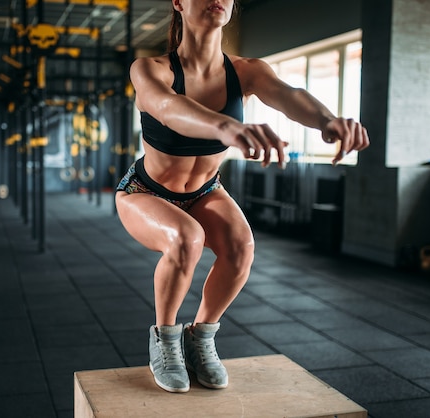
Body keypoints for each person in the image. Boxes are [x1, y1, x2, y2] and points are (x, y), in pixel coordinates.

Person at [115, 0, 369, 393]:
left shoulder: (246, 71)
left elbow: (289, 94)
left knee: (241, 247)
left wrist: (328, 120)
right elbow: (166, 107)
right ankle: (165, 341)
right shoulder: (151, 69)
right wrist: (225, 127)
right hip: (145, 191)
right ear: (179, 3)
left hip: (204, 190)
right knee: (187, 238)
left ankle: (199, 339)